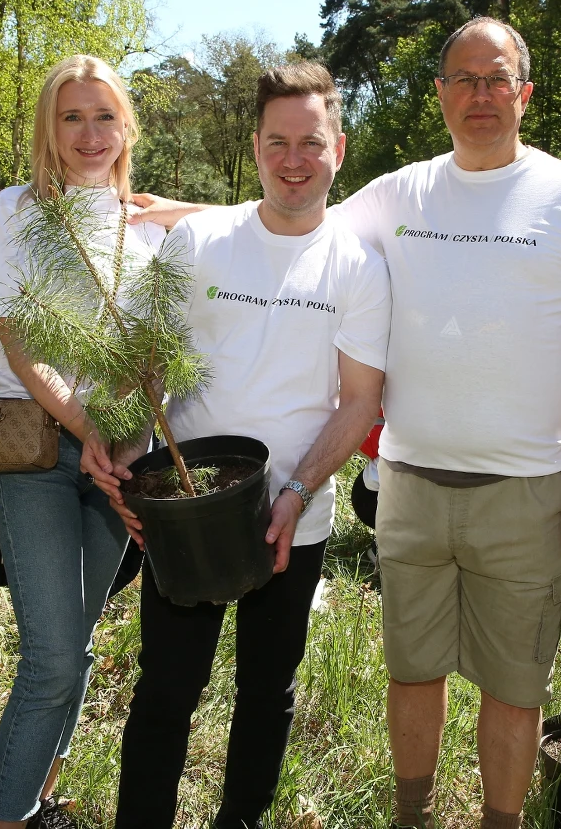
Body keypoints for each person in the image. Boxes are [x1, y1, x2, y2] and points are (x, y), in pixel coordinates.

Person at [127, 17, 561, 829]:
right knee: (410, 670)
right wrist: (178, 215)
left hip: (528, 487)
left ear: (525, 93)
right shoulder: (402, 193)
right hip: (407, 483)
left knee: (513, 685)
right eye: (464, 78)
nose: (480, 94)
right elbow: (288, 209)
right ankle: (413, 816)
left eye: (497, 78)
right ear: (440, 94)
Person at [93, 61, 390, 829]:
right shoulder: (200, 239)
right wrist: (125, 452)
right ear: (255, 147)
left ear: (338, 149)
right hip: (186, 509)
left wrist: (296, 492)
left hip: (294, 516)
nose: (294, 160)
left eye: (311, 143)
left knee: (267, 692)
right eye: (277, 142)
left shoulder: (359, 265)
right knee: (166, 689)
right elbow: (149, 364)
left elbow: (360, 401)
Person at [0, 54, 166, 829]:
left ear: (127, 126)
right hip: (41, 451)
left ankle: (42, 797)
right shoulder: (19, 208)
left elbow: (154, 352)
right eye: (71, 116)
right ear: (48, 127)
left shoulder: (143, 226)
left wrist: (128, 440)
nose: (89, 134)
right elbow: (18, 346)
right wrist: (87, 429)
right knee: (49, 655)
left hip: (119, 456)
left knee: (77, 644)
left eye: (104, 116)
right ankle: (6, 817)